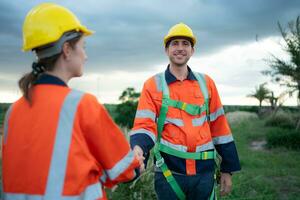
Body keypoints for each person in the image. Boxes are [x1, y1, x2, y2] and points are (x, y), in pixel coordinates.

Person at [2, 3, 142, 200]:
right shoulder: (82, 104)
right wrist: (137, 165)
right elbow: (124, 170)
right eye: (83, 47)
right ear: (67, 49)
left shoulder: (14, 111)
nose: (85, 55)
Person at [130, 23, 241, 200]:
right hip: (169, 174)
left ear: (192, 50)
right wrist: (138, 149)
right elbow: (145, 125)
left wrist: (228, 169)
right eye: (175, 43)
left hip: (204, 174)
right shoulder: (153, 85)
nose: (180, 48)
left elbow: (220, 128)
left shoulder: (207, 84)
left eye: (185, 43)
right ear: (166, 50)